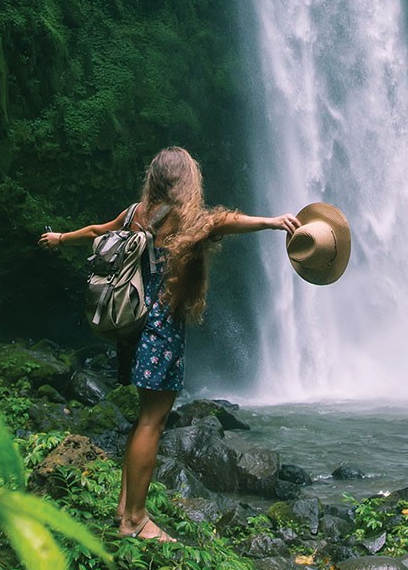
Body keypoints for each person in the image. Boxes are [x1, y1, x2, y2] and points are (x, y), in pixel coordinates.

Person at [38, 146, 299, 541]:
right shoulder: (187, 219)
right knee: (151, 421)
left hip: (133, 325)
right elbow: (225, 221)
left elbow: (94, 233)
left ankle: (125, 510)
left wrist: (59, 238)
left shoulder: (133, 214)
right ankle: (135, 520)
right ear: (185, 180)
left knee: (143, 420)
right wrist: (271, 222)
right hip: (161, 327)